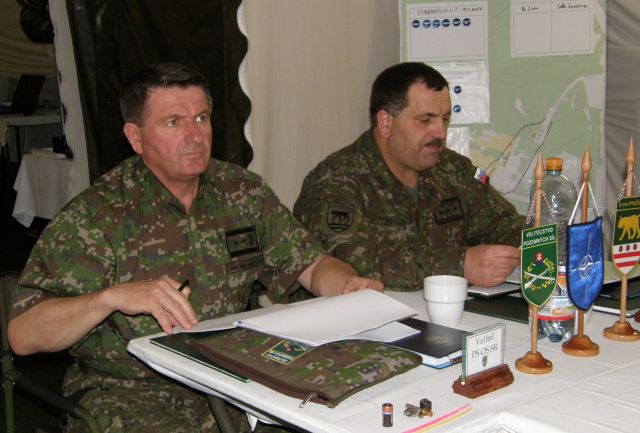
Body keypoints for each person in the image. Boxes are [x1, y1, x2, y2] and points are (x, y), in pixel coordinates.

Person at [7, 62, 382, 433]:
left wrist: (348, 285)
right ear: (135, 137)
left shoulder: (242, 192)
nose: (194, 135)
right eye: (173, 122)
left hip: (232, 382)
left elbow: (312, 266)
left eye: (201, 119)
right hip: (129, 392)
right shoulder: (99, 214)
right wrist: (111, 298)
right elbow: (23, 335)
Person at [294, 62, 524, 291]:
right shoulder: (337, 180)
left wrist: (537, 239)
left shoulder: (452, 169)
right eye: (425, 120)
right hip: (360, 311)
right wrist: (460, 265)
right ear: (386, 123)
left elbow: (503, 225)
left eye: (445, 119)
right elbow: (348, 264)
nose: (440, 132)